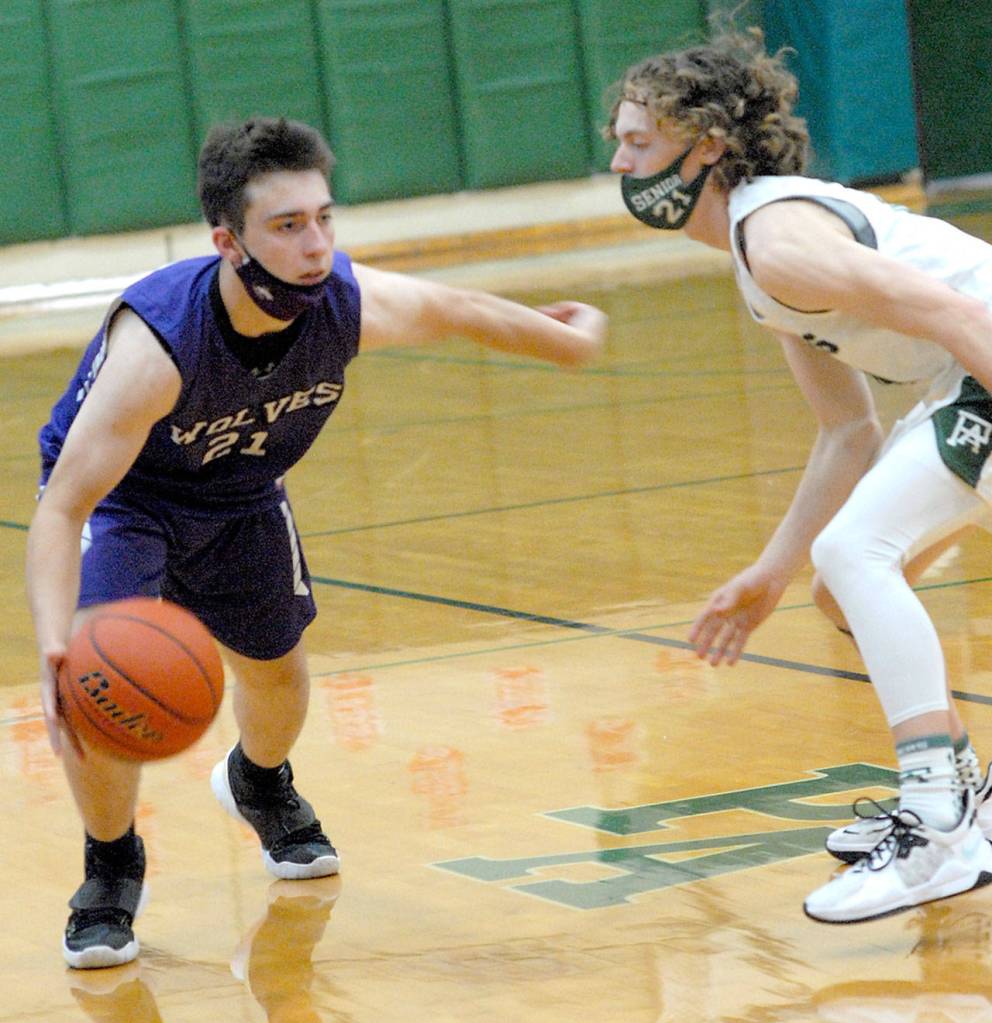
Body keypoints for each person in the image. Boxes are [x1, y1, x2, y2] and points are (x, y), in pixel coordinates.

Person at [26, 116, 606, 970]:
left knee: (279, 672)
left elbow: (459, 309)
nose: (316, 244)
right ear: (229, 241)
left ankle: (258, 779)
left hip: (240, 489)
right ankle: (110, 864)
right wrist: (54, 646)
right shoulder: (157, 348)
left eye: (325, 218)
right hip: (127, 500)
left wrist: (570, 341)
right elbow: (62, 507)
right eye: (288, 226)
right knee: (101, 693)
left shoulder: (344, 302)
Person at [606, 29, 992, 924]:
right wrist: (772, 573)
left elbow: (953, 309)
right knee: (840, 586)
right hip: (958, 376)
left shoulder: (779, 241)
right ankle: (962, 803)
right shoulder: (759, 252)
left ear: (705, 145)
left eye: (638, 141)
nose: (621, 160)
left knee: (859, 550)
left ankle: (935, 823)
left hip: (979, 358)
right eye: (619, 141)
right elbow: (846, 429)